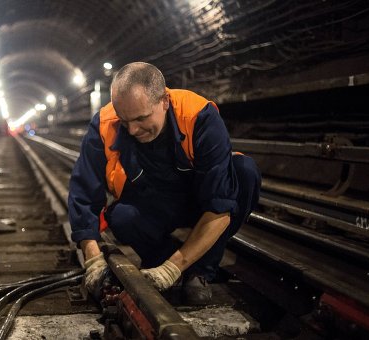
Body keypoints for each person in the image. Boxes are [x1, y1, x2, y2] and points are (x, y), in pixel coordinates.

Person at [68, 62, 261, 304]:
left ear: (164, 101)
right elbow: (83, 190)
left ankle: (199, 270)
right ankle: (160, 258)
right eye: (125, 121)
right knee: (121, 216)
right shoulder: (106, 123)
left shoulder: (198, 116)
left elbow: (220, 204)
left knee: (244, 172)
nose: (133, 129)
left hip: (199, 202)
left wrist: (174, 268)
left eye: (141, 119)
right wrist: (93, 257)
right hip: (154, 203)